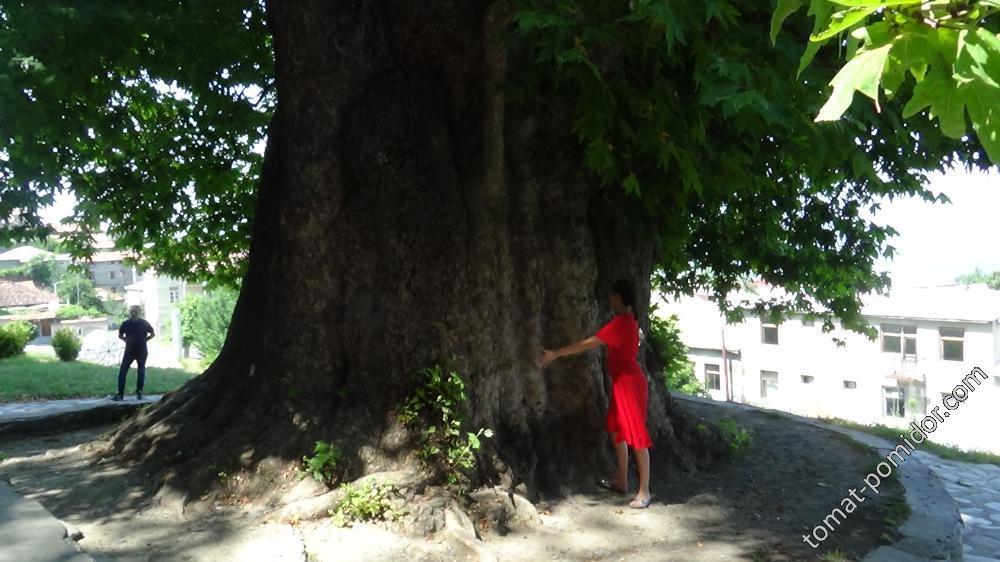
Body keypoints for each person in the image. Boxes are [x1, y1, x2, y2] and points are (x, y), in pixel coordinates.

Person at [536, 279, 653, 509]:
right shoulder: (630, 321)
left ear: (619, 297)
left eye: (612, 296)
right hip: (624, 383)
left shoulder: (621, 323)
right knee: (614, 427)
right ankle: (621, 479)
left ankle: (645, 491)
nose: (610, 299)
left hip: (629, 384)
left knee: (636, 435)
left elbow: (586, 344)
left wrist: (556, 353)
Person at [114, 305, 155, 401]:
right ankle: (120, 394)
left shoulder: (144, 323)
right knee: (122, 372)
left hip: (142, 351)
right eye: (132, 311)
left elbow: (152, 334)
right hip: (129, 351)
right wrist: (126, 340)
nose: (133, 313)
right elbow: (120, 335)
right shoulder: (125, 323)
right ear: (129, 312)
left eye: (135, 311)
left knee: (141, 371)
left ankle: (139, 393)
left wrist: (145, 340)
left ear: (139, 312)